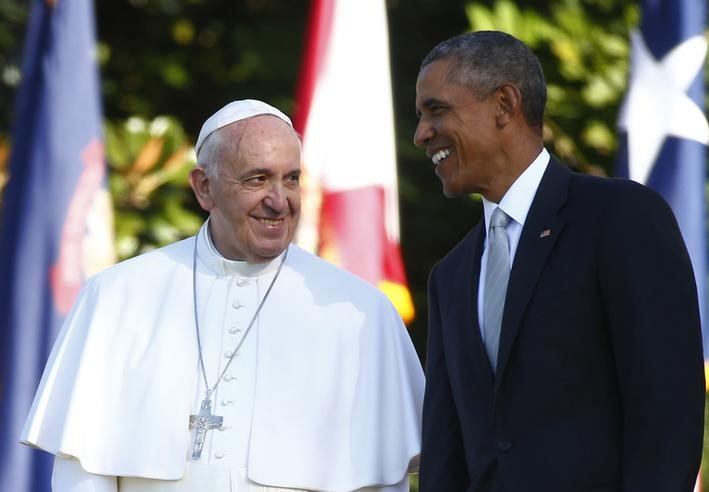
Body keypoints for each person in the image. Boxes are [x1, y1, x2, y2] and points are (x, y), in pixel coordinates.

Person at [21, 99, 424, 491]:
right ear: (204, 188)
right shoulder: (117, 297)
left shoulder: (359, 313)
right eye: (257, 179)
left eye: (291, 178)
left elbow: (381, 480)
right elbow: (83, 472)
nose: (279, 201)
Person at [413, 30, 705, 491]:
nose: (421, 134)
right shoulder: (449, 277)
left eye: (437, 109)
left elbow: (667, 417)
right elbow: (446, 460)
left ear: (505, 105)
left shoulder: (620, 219)